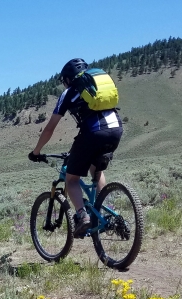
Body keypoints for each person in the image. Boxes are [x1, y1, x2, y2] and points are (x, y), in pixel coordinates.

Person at [29, 58, 123, 237]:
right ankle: (104, 213)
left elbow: (50, 128)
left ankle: (83, 216)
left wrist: (36, 152)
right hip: (116, 128)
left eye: (64, 81)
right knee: (96, 170)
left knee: (71, 179)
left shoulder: (70, 92)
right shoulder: (96, 88)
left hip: (93, 133)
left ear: (68, 79)